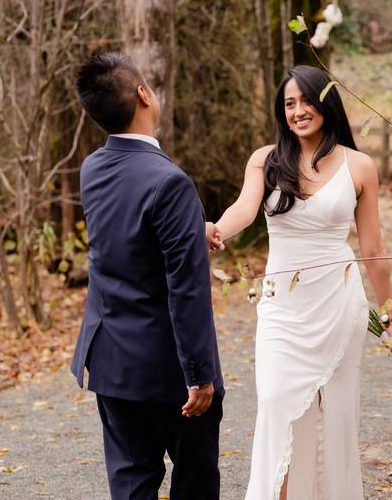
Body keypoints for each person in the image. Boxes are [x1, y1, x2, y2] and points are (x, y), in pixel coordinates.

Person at [207, 65, 392, 500]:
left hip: (339, 303)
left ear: (326, 101)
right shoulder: (266, 159)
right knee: (277, 405)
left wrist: (390, 316)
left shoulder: (360, 166)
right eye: (289, 103)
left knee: (331, 418)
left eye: (306, 100)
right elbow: (244, 206)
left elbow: (373, 247)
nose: (298, 111)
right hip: (283, 309)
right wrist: (216, 228)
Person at [70, 52, 223, 500]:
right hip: (168, 369)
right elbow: (186, 289)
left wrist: (192, 229)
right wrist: (198, 374)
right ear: (143, 95)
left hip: (112, 362)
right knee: (195, 483)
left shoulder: (92, 168)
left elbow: (127, 238)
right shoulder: (169, 181)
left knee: (132, 483)